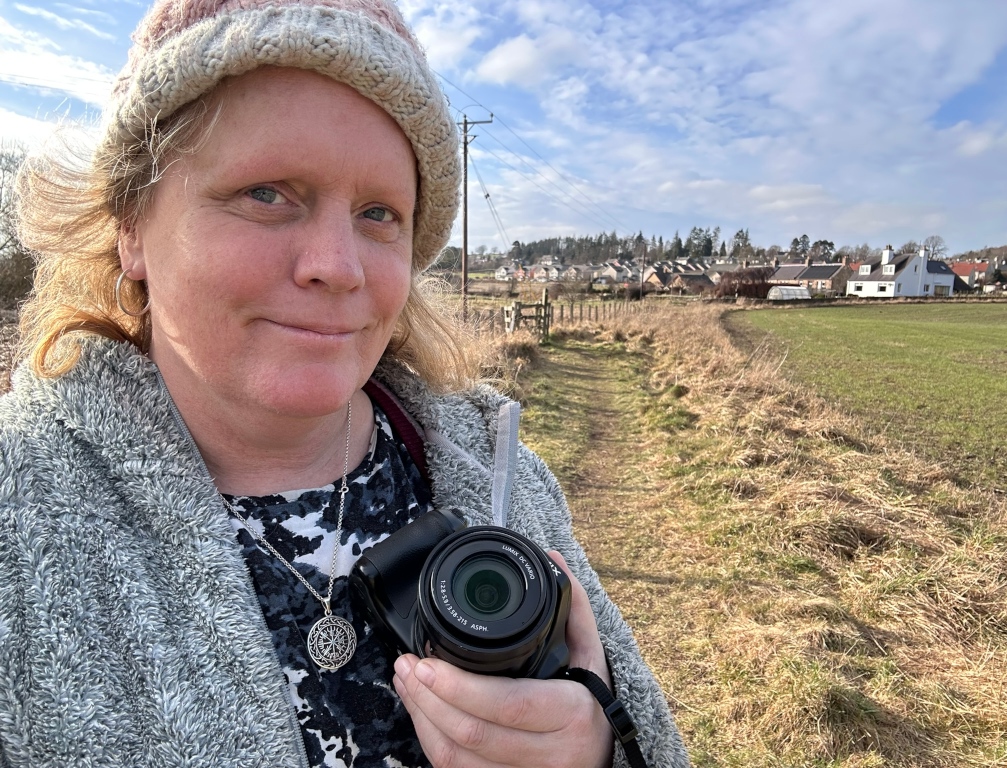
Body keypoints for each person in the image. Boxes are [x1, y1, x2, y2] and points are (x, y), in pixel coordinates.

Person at [0, 0, 689, 766]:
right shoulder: (20, 514)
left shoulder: (496, 470)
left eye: (377, 212)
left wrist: (598, 748)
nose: (338, 264)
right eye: (267, 193)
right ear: (132, 225)